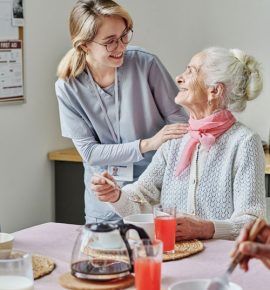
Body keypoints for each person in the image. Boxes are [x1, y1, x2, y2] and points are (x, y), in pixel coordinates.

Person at [92, 46, 266, 240]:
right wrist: (116, 195)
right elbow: (141, 198)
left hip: (222, 262)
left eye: (190, 71)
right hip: (175, 255)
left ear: (214, 90)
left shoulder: (245, 142)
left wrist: (206, 228)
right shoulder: (176, 137)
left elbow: (253, 223)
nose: (178, 78)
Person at [55, 0, 188, 223]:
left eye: (124, 36)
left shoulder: (145, 64)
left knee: (157, 256)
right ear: (85, 45)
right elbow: (90, 152)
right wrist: (148, 144)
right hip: (105, 199)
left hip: (154, 193)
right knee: (105, 257)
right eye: (110, 42)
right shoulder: (68, 87)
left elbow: (179, 124)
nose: (121, 46)